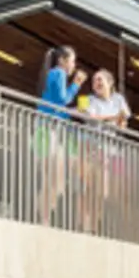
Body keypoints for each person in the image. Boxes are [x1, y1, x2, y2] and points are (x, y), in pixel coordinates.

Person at [35, 47, 85, 224]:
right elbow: (64, 99)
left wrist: (73, 111)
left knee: (53, 177)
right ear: (62, 60)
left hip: (45, 129)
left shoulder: (51, 74)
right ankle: (44, 217)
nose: (73, 65)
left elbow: (58, 105)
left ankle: (45, 217)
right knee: (55, 176)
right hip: (48, 130)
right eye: (72, 60)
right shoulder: (59, 73)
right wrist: (77, 83)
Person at [79, 68, 130, 233]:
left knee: (104, 191)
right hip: (90, 148)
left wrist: (120, 123)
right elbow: (89, 118)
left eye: (100, 80)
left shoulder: (119, 99)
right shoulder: (85, 99)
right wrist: (113, 119)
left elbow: (124, 120)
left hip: (111, 150)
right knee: (88, 188)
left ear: (110, 82)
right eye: (94, 80)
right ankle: (85, 225)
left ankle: (95, 225)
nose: (97, 83)